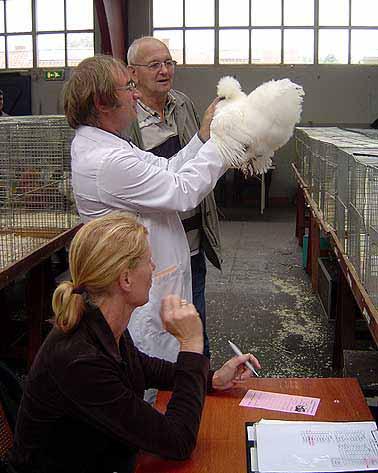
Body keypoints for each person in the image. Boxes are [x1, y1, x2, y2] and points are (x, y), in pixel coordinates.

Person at [7, 212, 260, 473]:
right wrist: (191, 343)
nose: (153, 267)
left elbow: (145, 368)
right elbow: (178, 441)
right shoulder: (79, 361)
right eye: (148, 261)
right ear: (125, 279)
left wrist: (212, 378)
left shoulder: (101, 322)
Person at [63, 55, 231, 369]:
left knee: (161, 367)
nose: (136, 94)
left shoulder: (112, 146)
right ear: (102, 102)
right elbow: (182, 191)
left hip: (146, 279)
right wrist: (227, 143)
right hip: (137, 293)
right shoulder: (108, 161)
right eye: (128, 87)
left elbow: (168, 170)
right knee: (152, 375)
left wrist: (204, 136)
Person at [127, 36, 221, 359]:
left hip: (192, 241)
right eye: (154, 65)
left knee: (197, 322)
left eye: (169, 63)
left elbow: (198, 158)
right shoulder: (128, 119)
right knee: (156, 329)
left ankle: (201, 390)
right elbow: (170, 181)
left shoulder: (183, 104)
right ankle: (164, 394)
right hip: (154, 252)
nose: (165, 70)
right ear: (133, 73)